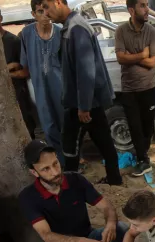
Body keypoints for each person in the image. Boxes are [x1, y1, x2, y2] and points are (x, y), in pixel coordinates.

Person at [19, 139, 130, 242]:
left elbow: (106, 206)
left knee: (121, 228)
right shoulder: (28, 197)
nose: (55, 172)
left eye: (55, 163)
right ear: (34, 172)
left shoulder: (75, 179)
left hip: (88, 239)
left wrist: (110, 225)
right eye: (46, 169)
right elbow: (47, 236)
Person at [42, 0, 123, 185]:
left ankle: (69, 185)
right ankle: (114, 179)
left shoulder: (76, 28)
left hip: (82, 103)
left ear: (58, 2)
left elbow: (85, 71)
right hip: (87, 100)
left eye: (46, 7)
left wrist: (83, 106)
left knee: (70, 145)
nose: (46, 13)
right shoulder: (71, 26)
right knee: (103, 141)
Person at [115, 0, 155, 177]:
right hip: (129, 89)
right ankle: (143, 160)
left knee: (148, 127)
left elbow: (152, 62)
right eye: (142, 5)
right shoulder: (121, 31)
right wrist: (142, 54)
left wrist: (130, 57)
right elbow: (120, 58)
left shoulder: (152, 32)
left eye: (147, 5)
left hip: (148, 88)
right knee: (135, 126)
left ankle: (143, 152)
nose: (147, 9)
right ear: (131, 10)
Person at [20, 0, 64, 163]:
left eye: (46, 10)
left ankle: (73, 159)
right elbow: (24, 65)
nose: (45, 15)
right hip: (40, 90)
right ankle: (59, 161)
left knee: (66, 125)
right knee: (49, 126)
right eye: (40, 11)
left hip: (61, 90)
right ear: (33, 14)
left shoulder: (60, 32)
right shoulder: (27, 34)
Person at [0, 3, 36, 137]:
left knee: (27, 132)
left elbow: (26, 71)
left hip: (18, 96)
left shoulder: (13, 41)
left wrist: (5, 72)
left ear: (0, 18)